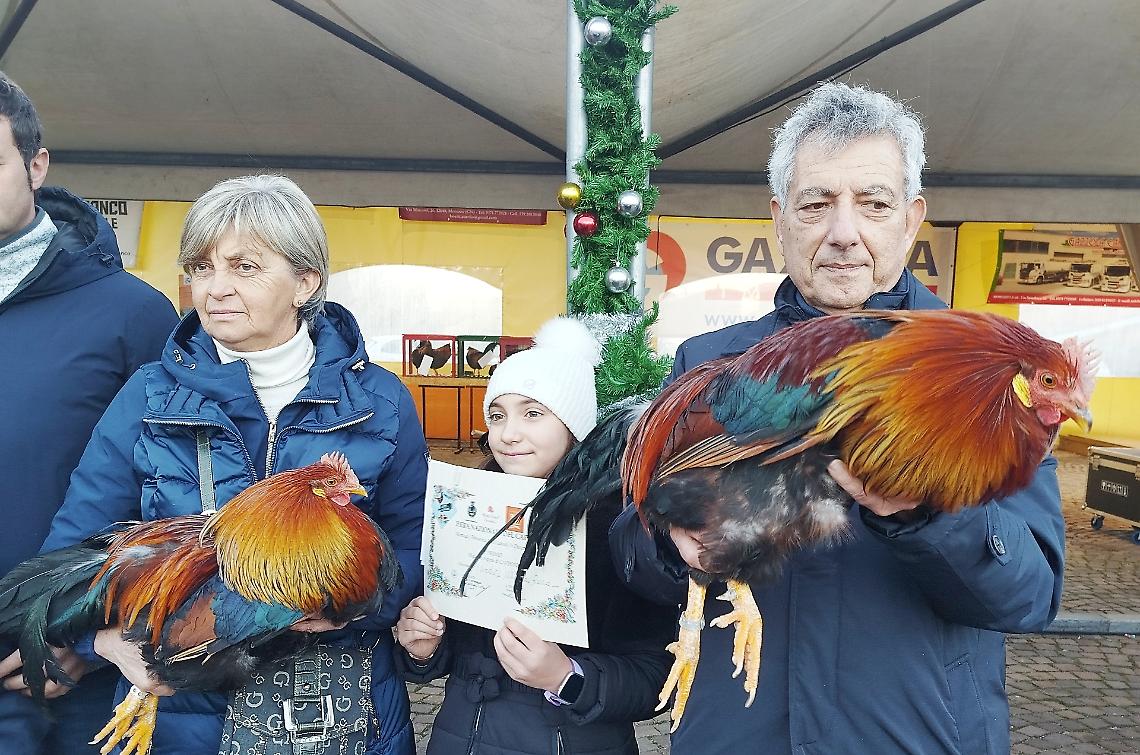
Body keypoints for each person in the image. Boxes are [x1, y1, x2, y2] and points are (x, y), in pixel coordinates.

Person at [610, 82, 1065, 754]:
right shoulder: (710, 360)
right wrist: (667, 544)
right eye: (816, 203)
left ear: (911, 219)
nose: (843, 232)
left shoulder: (983, 373)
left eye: (873, 204)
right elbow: (631, 550)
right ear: (780, 217)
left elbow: (1028, 594)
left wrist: (930, 513)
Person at [37, 174, 427, 754]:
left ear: (305, 281)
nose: (214, 288)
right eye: (201, 267)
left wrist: (354, 609)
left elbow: (413, 545)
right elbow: (72, 549)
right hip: (184, 713)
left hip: (343, 708)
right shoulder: (149, 397)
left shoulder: (381, 400)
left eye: (244, 267)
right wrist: (104, 641)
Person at [395, 318, 675, 754]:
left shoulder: (620, 526)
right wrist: (424, 648)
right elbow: (454, 649)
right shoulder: (469, 509)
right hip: (459, 737)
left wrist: (566, 678)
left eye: (533, 413)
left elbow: (659, 673)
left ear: (573, 424)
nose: (508, 434)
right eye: (497, 415)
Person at [0, 71, 178, 754]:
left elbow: (174, 494)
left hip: (60, 687)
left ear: (37, 165)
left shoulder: (130, 313)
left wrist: (91, 636)